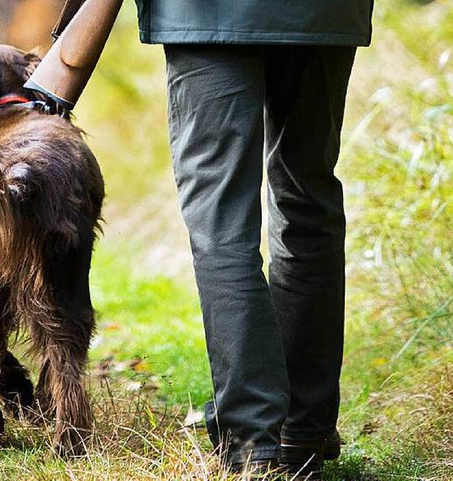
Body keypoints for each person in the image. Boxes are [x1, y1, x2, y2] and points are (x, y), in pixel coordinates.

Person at [132, 2, 374, 479]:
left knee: (220, 220)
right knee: (307, 200)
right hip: (322, 14)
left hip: (204, 13)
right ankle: (303, 428)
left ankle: (251, 442)